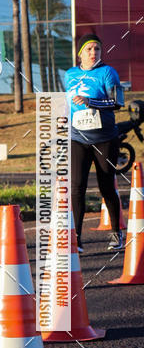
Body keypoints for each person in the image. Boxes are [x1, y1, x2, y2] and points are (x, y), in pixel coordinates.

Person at [64, 33, 125, 253]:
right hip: (77, 137)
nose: (93, 53)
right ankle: (76, 238)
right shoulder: (70, 74)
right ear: (80, 54)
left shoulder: (108, 72)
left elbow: (117, 102)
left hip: (104, 138)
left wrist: (91, 101)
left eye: (97, 49)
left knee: (106, 186)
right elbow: (67, 103)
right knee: (76, 187)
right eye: (89, 49)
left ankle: (116, 233)